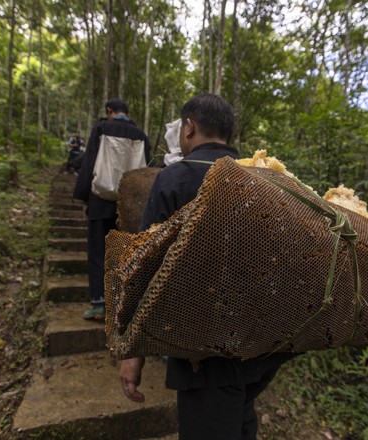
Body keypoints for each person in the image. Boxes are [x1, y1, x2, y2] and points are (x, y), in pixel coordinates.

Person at [119, 93, 295, 440]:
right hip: (261, 345)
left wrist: (133, 353)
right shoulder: (265, 181)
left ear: (189, 128)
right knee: (240, 419)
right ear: (229, 132)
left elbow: (144, 266)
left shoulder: (174, 179)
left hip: (204, 350)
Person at [73, 98, 151, 320]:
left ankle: (99, 303)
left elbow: (90, 162)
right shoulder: (141, 136)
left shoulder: (101, 128)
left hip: (100, 199)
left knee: (98, 251)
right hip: (129, 203)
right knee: (125, 251)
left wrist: (85, 198)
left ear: (109, 111)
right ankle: (124, 304)